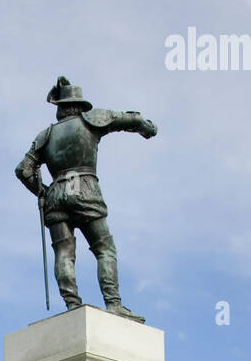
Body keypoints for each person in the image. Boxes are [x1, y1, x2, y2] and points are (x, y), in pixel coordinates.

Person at [15, 76, 157, 321]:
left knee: (64, 251)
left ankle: (72, 305)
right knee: (104, 248)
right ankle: (113, 304)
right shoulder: (91, 120)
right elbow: (128, 119)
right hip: (85, 189)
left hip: (56, 196)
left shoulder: (46, 135)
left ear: (61, 108)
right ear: (79, 106)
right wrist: (146, 127)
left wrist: (43, 191)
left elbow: (23, 170)